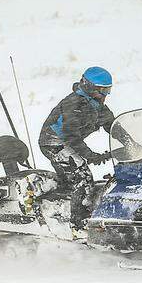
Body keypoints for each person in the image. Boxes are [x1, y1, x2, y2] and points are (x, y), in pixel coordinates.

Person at [38, 66, 117, 231]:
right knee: (83, 176)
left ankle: (64, 208)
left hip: (68, 141)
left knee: (72, 179)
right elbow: (71, 135)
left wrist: (132, 141)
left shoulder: (97, 106)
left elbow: (113, 126)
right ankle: (78, 224)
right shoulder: (74, 104)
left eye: (107, 90)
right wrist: (89, 155)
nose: (104, 95)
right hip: (53, 142)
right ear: (88, 86)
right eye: (101, 91)